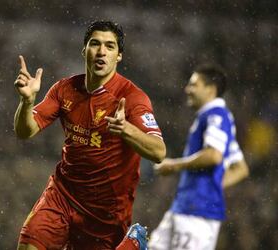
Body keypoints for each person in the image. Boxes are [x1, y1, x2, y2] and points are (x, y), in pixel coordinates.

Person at [13, 20, 166, 250]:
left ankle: (132, 245)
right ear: (84, 50)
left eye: (110, 46)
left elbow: (159, 152)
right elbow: (25, 131)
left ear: (119, 56)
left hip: (105, 213)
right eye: (95, 44)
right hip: (62, 195)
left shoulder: (132, 98)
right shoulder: (64, 89)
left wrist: (127, 129)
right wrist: (27, 102)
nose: (101, 51)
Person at [148, 63, 249, 250]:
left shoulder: (216, 116)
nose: (187, 89)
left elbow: (214, 156)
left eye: (194, 85)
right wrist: (213, 184)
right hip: (185, 207)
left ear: (210, 89)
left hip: (197, 213)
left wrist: (175, 165)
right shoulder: (214, 118)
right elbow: (241, 168)